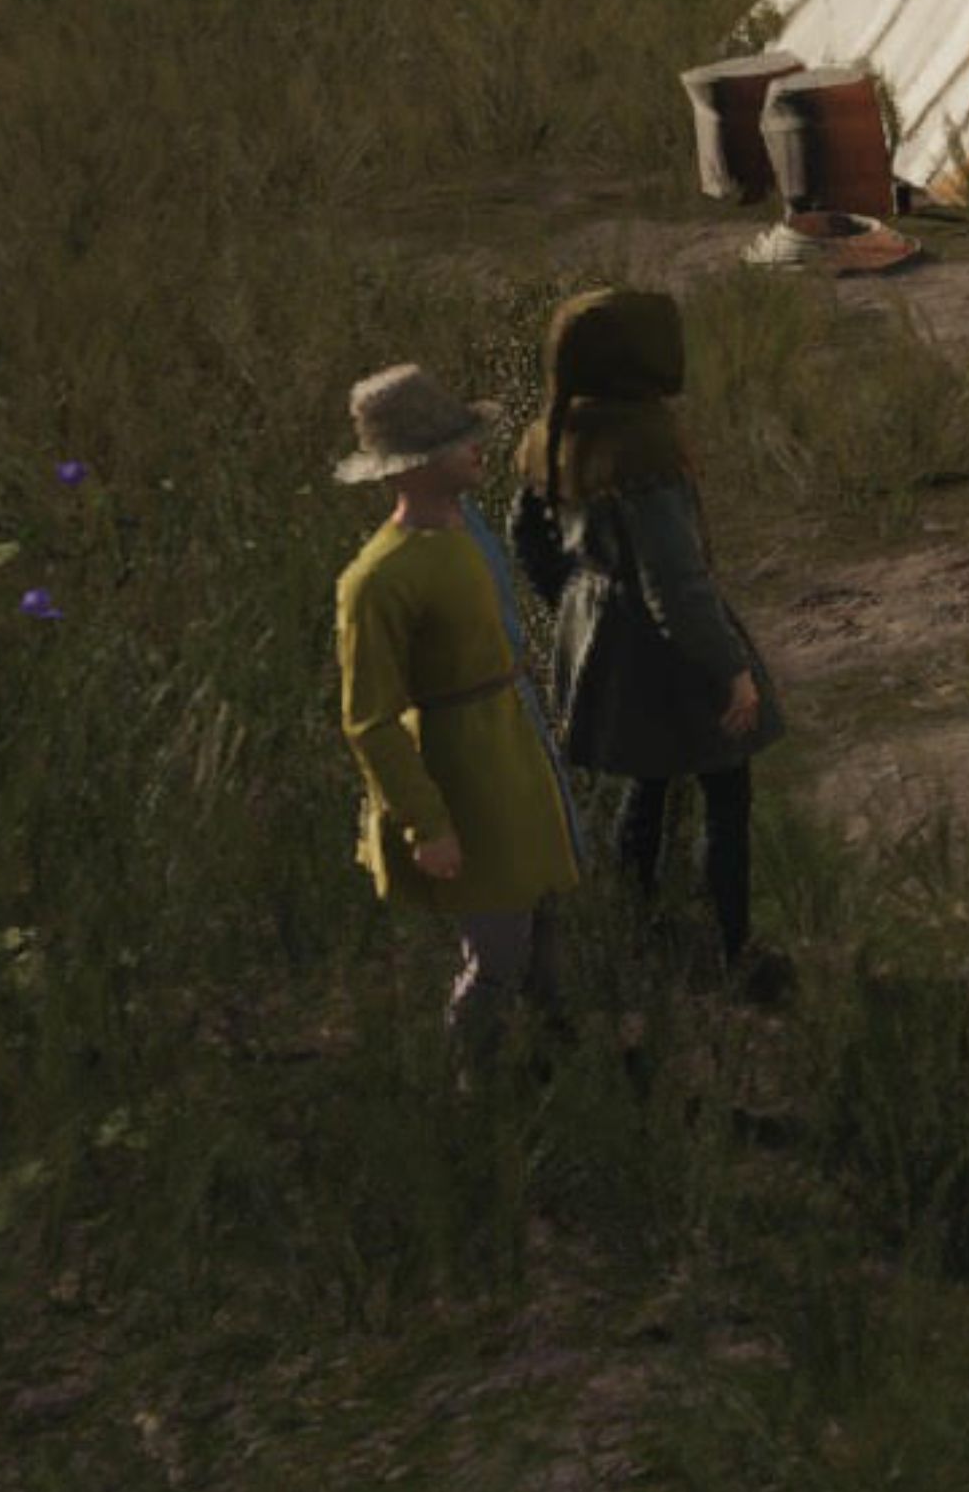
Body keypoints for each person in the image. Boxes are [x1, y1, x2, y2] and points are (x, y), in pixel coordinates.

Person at [506, 289, 792, 1005]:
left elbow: (527, 537)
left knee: (647, 783)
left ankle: (640, 935)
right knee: (725, 792)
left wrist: (576, 602)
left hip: (603, 634)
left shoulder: (551, 433)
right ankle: (729, 953)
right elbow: (675, 584)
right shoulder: (643, 451)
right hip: (663, 653)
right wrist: (731, 671)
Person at [331, 362, 583, 1068]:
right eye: (455, 442)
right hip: (464, 776)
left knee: (544, 917)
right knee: (497, 949)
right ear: (411, 465)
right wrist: (427, 823)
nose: (477, 448)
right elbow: (370, 720)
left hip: (514, 753)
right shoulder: (378, 579)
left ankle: (561, 1061)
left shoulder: (466, 533)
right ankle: (474, 1081)